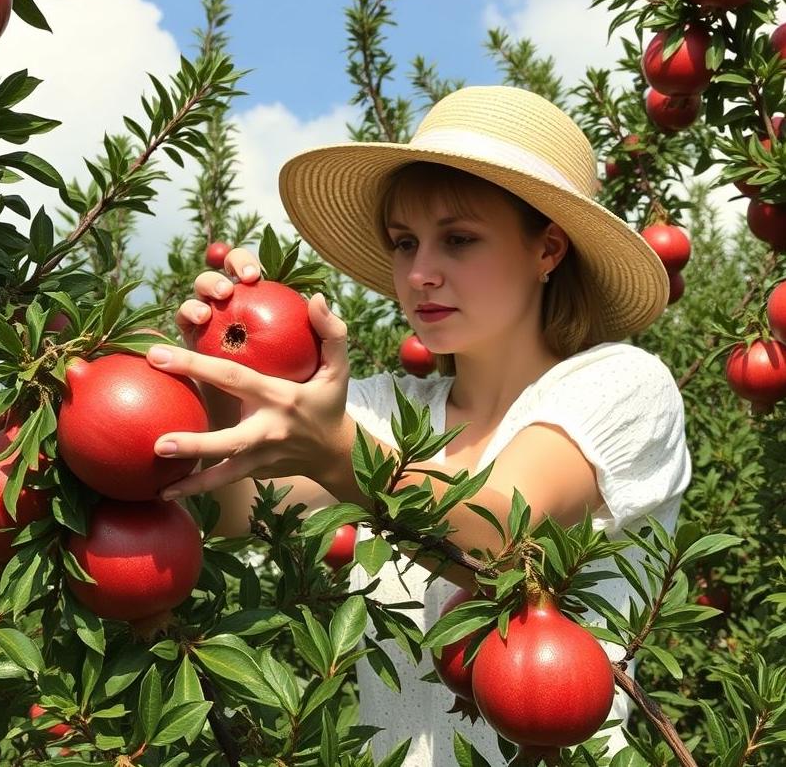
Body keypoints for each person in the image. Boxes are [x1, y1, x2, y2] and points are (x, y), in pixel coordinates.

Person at [145, 85, 692, 765]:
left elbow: (502, 533)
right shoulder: (376, 411)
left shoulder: (622, 384)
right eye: (404, 243)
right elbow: (238, 515)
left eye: (458, 239)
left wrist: (337, 452)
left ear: (547, 248)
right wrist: (220, 378)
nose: (419, 273)